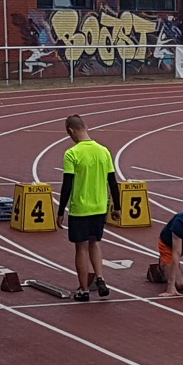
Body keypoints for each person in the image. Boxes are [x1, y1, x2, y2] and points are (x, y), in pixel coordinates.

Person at [56, 114, 120, 301]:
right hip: (100, 207)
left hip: (81, 208)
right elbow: (112, 181)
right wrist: (117, 206)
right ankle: (100, 278)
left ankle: (83, 289)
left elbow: (67, 184)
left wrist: (60, 211)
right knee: (95, 242)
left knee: (81, 248)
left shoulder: (72, 153)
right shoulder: (104, 151)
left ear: (70, 131)